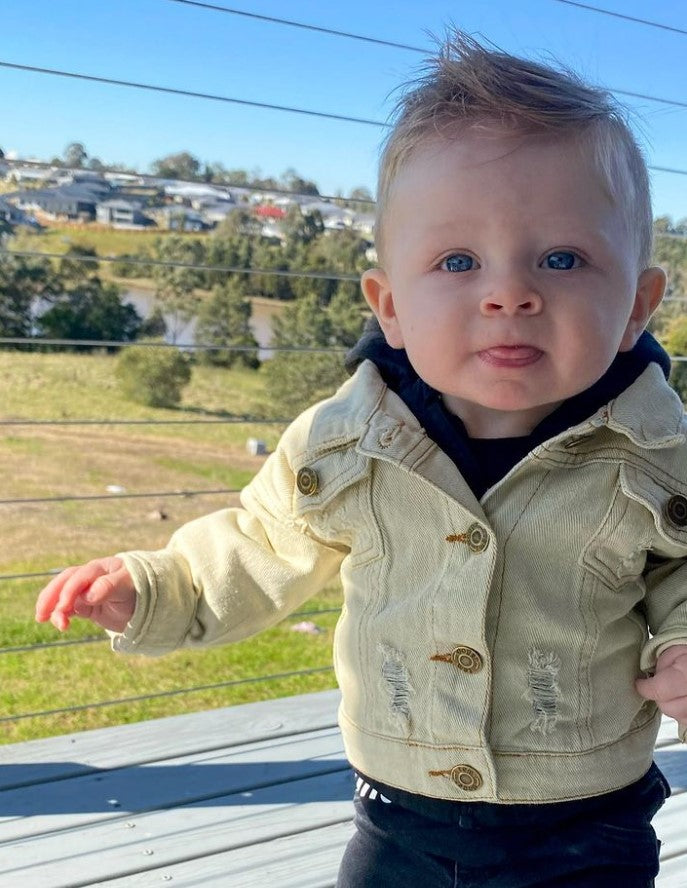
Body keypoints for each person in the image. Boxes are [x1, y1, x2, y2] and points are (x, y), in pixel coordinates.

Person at [36, 31, 687, 887]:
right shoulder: (340, 444)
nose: (508, 292)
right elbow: (259, 543)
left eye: (561, 258)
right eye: (457, 261)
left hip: (586, 825)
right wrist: (156, 589)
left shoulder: (661, 454)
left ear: (637, 304)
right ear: (389, 307)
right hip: (396, 818)